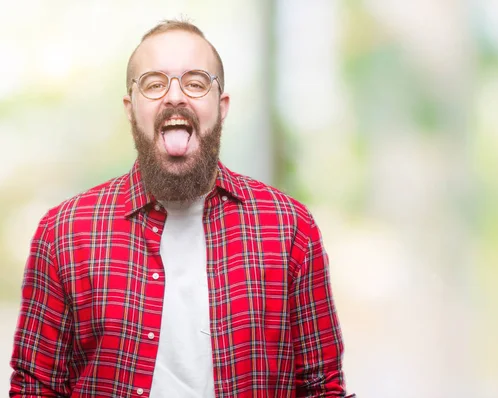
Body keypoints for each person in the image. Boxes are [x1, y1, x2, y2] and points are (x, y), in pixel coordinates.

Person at [9, 19, 354, 398]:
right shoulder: (64, 233)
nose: (174, 97)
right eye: (155, 84)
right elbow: (35, 389)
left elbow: (323, 388)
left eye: (195, 83)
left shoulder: (290, 228)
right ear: (130, 108)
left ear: (221, 107)